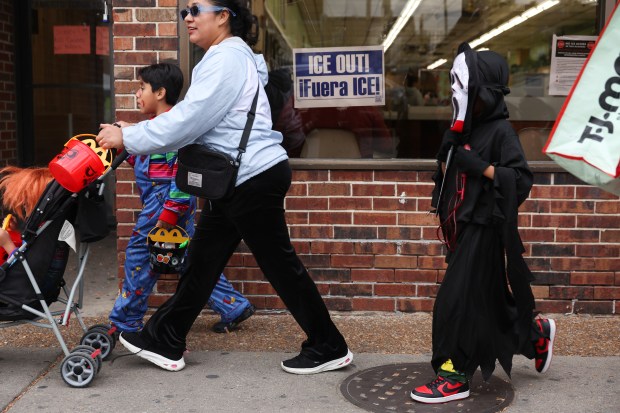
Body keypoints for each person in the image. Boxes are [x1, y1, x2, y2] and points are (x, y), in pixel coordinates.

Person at [97, 0, 352, 374]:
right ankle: (166, 340)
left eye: (197, 8)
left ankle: (328, 345)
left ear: (223, 15)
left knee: (280, 266)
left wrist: (128, 134)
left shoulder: (226, 60)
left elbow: (189, 119)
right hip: (233, 179)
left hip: (249, 178)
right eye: (185, 9)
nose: (188, 16)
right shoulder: (227, 57)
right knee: (202, 262)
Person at [411, 43, 556, 404]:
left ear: (485, 92)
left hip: (485, 230)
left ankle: (454, 375)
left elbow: (520, 180)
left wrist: (484, 168)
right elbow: (448, 178)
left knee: (454, 303)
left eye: (466, 89)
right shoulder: (466, 130)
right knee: (487, 305)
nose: (458, 95)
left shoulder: (502, 132)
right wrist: (449, 152)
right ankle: (536, 334)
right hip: (463, 228)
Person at [108, 62, 254, 335]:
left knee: (139, 255)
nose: (137, 94)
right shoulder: (156, 127)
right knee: (189, 258)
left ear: (160, 92)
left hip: (165, 203)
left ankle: (126, 319)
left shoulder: (173, 130)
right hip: (163, 202)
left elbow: (181, 178)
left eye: (142, 88)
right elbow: (148, 164)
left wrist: (168, 214)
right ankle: (232, 305)